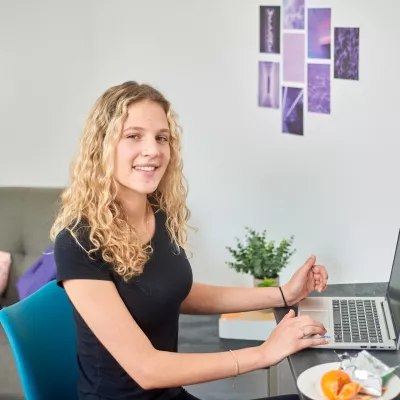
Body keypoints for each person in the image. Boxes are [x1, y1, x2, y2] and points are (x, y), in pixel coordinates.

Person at [50, 81, 329, 400]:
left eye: (161, 137)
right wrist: (263, 354)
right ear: (102, 145)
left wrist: (283, 294)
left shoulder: (156, 213)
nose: (153, 150)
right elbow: (146, 368)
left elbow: (173, 292)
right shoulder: (78, 241)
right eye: (133, 136)